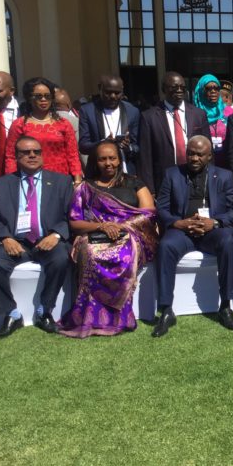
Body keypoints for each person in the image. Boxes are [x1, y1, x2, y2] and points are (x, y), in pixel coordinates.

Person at [58, 140, 158, 338]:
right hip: (95, 235)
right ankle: (88, 317)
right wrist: (102, 226)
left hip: (129, 234)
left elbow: (149, 213)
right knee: (89, 253)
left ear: (119, 160)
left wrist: (121, 227)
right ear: (95, 162)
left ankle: (119, 318)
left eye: (112, 158)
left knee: (124, 254)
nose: (108, 163)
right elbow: (75, 222)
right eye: (102, 159)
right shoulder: (86, 187)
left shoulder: (134, 182)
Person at [0, 136, 74, 339]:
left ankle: (45, 310)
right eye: (26, 152)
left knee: (60, 258)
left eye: (36, 152)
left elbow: (72, 216)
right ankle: (11, 313)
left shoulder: (62, 181)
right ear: (16, 157)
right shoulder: (1, 184)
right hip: (15, 242)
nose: (32, 155)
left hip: (47, 240)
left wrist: (56, 235)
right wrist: (5, 238)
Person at [153, 136, 233, 336]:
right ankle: (166, 309)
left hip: (212, 231)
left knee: (228, 241)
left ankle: (225, 306)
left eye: (200, 155)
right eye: (191, 153)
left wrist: (214, 222)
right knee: (166, 246)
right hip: (182, 231)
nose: (194, 158)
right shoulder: (172, 174)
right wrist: (178, 223)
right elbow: (162, 208)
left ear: (209, 156)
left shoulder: (224, 176)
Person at [138, 71, 210, 196]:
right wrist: (149, 190)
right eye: (174, 87)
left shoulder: (199, 114)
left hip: (196, 179)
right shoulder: (149, 117)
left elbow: (208, 150)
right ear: (163, 89)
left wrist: (210, 180)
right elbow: (145, 158)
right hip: (164, 181)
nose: (179, 90)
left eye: (182, 87)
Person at [4, 77, 83, 186]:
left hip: (60, 179)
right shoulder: (19, 124)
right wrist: (11, 182)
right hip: (30, 180)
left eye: (47, 96)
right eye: (38, 96)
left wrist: (77, 180)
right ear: (29, 98)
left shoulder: (63, 124)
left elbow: (73, 155)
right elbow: (11, 157)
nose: (43, 99)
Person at [78, 75, 140, 173]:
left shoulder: (132, 111)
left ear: (122, 90)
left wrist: (128, 147)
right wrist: (103, 143)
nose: (113, 96)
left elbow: (138, 146)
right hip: (97, 173)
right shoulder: (87, 111)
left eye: (117, 93)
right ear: (100, 88)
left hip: (126, 173)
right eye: (108, 92)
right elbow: (83, 147)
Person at [192, 74, 228, 165]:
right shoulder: (194, 114)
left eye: (216, 88)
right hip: (203, 163)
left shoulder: (229, 112)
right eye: (208, 88)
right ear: (200, 91)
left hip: (226, 161)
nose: (213, 91)